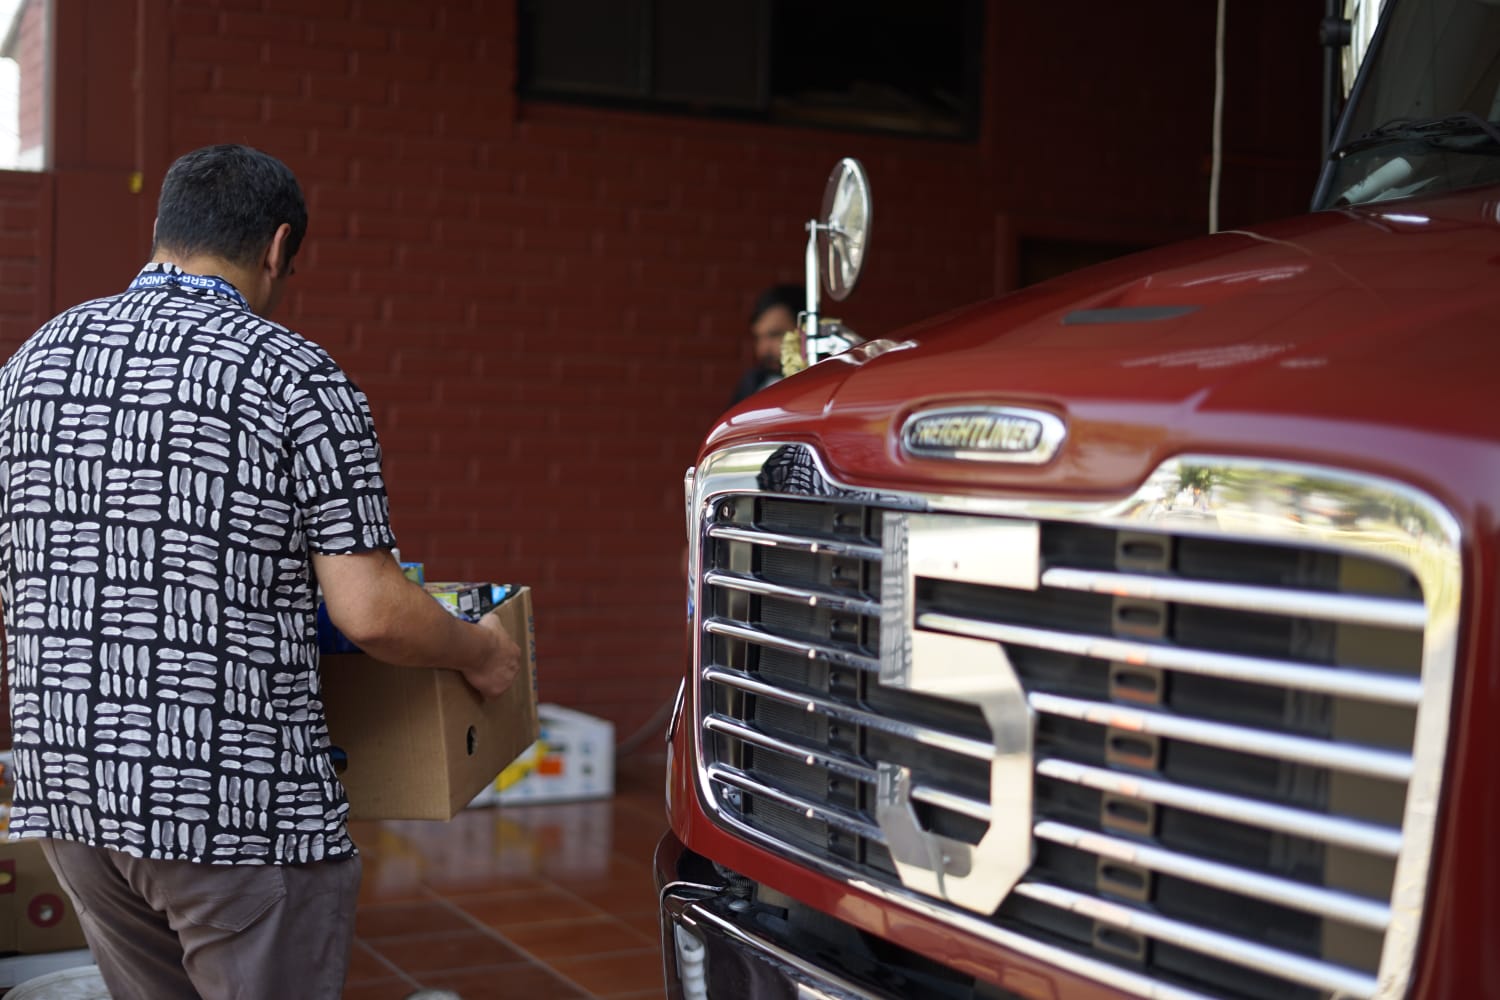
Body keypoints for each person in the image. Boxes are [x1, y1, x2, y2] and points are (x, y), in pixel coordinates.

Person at [0, 144, 522, 1000]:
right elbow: (373, 612)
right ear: (277, 247)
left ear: (164, 228)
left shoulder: (32, 366)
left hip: (68, 794)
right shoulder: (296, 377)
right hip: (232, 811)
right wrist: (479, 652)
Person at [730, 283, 804, 405]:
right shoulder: (752, 383)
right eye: (758, 338)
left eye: (775, 335)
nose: (763, 350)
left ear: (805, 329)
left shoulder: (829, 380)